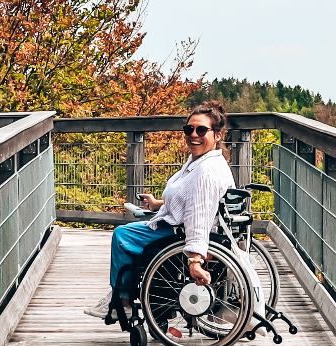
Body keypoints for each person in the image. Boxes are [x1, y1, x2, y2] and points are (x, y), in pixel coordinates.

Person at [93, 102, 236, 320]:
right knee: (132, 232)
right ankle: (125, 293)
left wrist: (195, 260)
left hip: (180, 232)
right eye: (189, 129)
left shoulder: (206, 171)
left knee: (123, 235)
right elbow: (189, 199)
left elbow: (200, 216)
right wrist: (158, 204)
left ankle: (122, 299)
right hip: (177, 223)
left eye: (201, 130)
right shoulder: (201, 161)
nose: (193, 135)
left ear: (217, 135)